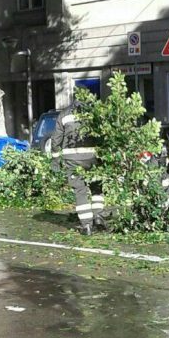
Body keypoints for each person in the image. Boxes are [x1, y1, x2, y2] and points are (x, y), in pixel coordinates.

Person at [51, 99, 104, 236]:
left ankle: (86, 225)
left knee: (80, 190)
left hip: (72, 160)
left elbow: (56, 138)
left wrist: (55, 159)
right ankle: (98, 217)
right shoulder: (94, 113)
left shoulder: (64, 114)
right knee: (97, 187)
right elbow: (103, 133)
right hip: (92, 158)